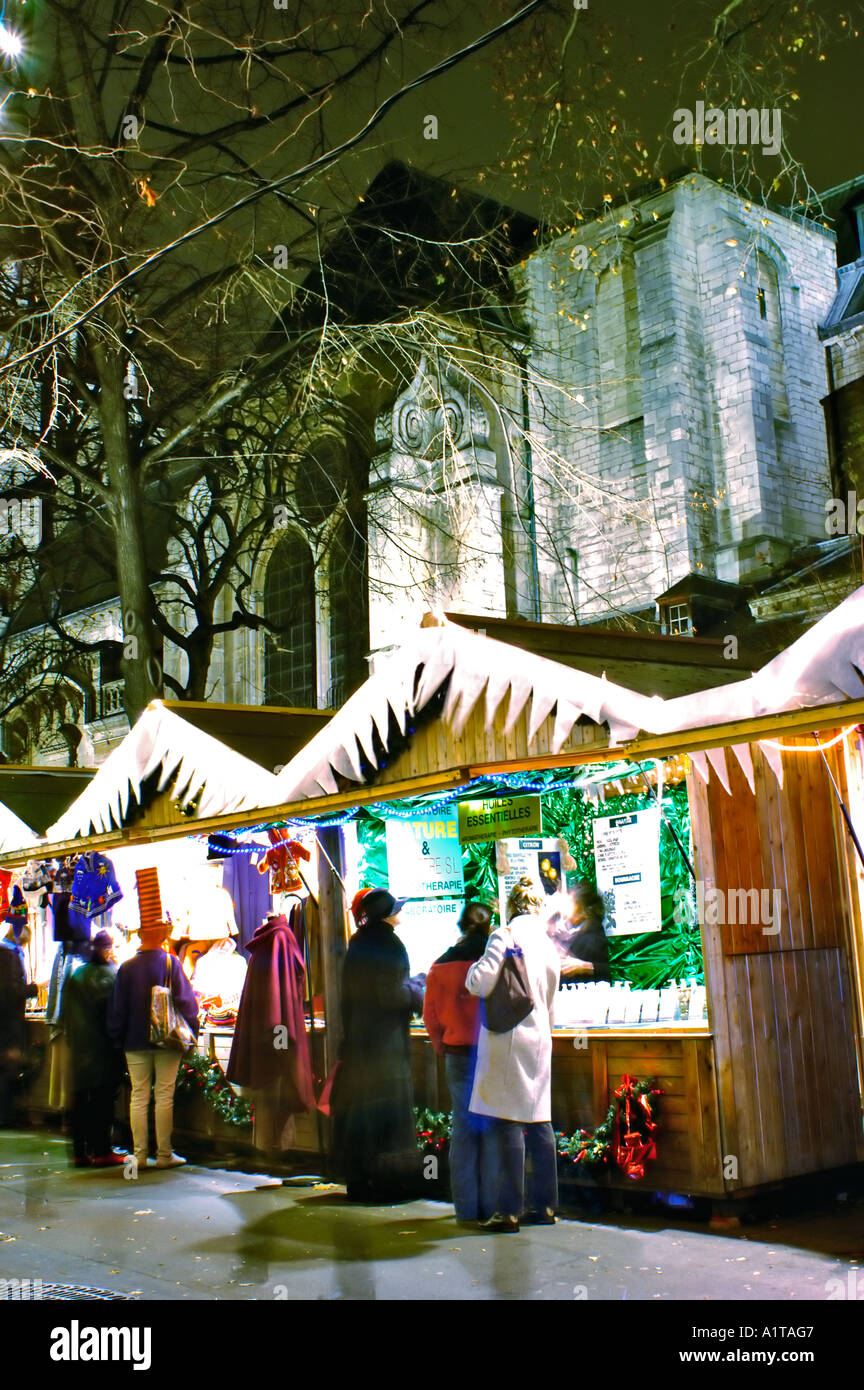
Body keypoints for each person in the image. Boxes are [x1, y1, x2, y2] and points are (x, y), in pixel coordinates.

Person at [465, 877, 561, 1233]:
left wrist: (473, 971)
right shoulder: (548, 945)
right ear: (538, 907)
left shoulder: (504, 936)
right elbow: (551, 997)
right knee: (539, 1121)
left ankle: (508, 1211)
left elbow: (482, 982)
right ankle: (546, 1205)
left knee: (508, 1122)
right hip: (539, 1036)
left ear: (513, 906)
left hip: (509, 1036)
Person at [331, 889, 424, 1203]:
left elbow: (347, 999)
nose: (401, 913)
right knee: (388, 1113)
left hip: (360, 1042)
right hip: (386, 1044)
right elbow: (389, 995)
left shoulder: (357, 943)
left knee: (362, 1114)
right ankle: (390, 1185)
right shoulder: (390, 944)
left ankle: (359, 1180)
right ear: (387, 914)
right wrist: (417, 991)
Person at [423, 900, 497, 1225]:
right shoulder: (496, 961)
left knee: (464, 1128)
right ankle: (495, 1206)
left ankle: (466, 1210)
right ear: (489, 925)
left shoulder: (440, 965)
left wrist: (441, 1045)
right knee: (495, 1127)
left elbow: (430, 1017)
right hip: (494, 1053)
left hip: (456, 1054)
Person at [108, 921, 199, 1172]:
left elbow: (117, 1010)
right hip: (167, 1041)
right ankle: (164, 1154)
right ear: (159, 934)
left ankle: (138, 1156)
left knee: (138, 1096)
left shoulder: (126, 968)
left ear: (140, 935)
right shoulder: (171, 963)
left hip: (134, 1042)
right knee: (164, 1096)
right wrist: (193, 1030)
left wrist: (118, 1039)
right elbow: (187, 1003)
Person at [60, 930, 125, 1167]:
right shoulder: (110, 974)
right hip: (102, 1051)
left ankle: (79, 1153)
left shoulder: (77, 974)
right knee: (102, 1104)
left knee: (79, 1104)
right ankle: (101, 1150)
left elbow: (65, 1014)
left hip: (79, 1051)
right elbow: (115, 1014)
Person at [0, 936, 35, 1126]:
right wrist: (35, 988)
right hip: (9, 1023)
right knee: (7, 1070)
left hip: (5, 1023)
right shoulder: (10, 955)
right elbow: (13, 991)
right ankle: (5, 1117)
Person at [559, 882, 611, 983]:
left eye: (570, 903)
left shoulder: (593, 932)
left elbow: (612, 969)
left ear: (580, 907)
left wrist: (585, 967)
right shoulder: (576, 931)